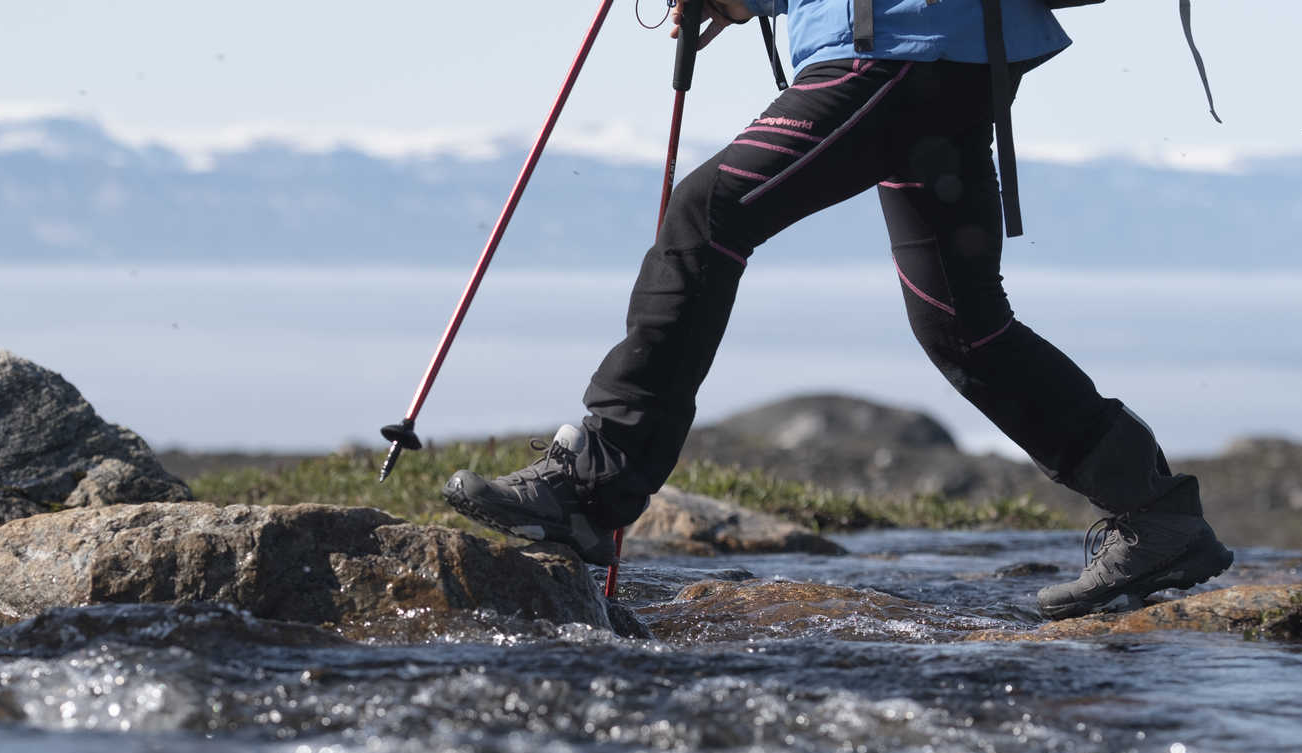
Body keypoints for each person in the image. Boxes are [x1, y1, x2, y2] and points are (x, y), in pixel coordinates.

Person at [442, 0, 1233, 619]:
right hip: (943, 48)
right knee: (963, 326)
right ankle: (1156, 515)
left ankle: (591, 486)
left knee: (708, 214)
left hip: (898, 42)